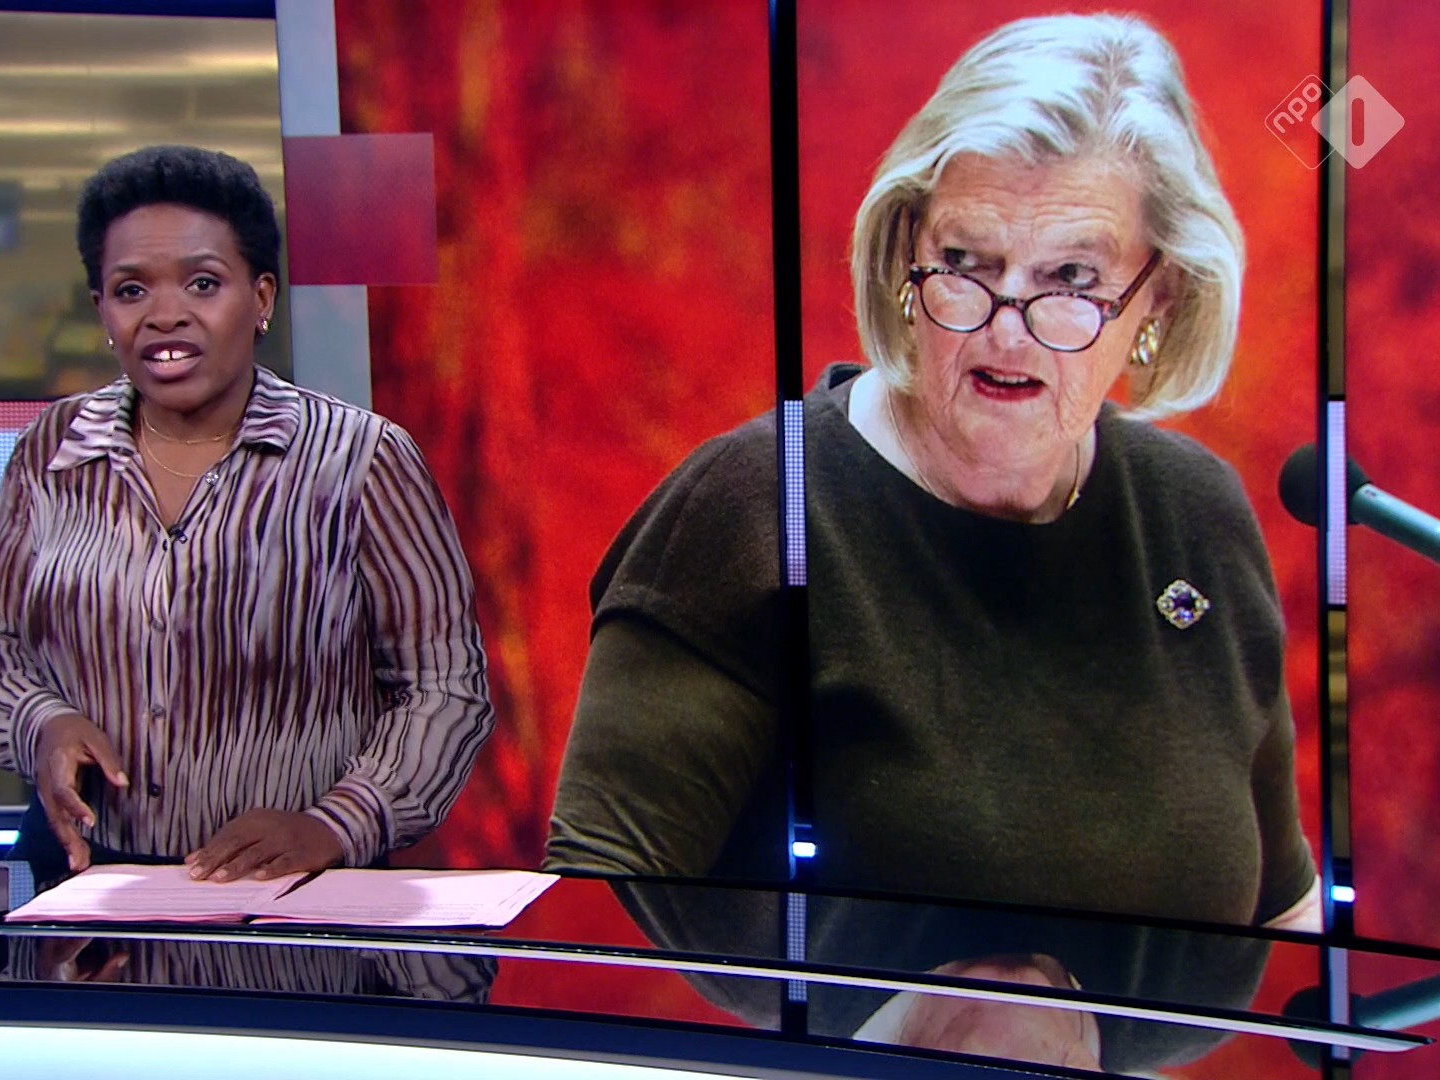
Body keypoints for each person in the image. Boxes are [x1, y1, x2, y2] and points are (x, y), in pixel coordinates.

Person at [546, 14, 1318, 1072]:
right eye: (966, 262)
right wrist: (876, 1038)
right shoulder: (754, 508)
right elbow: (578, 942)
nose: (1006, 326)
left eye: (1071, 279)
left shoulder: (1200, 516)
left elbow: (1284, 916)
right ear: (905, 255)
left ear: (1161, 297)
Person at [0, 145, 494, 887]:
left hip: (296, 890)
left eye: (203, 283)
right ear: (102, 310)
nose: (165, 315)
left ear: (262, 297)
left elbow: (445, 687)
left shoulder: (362, 459)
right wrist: (41, 723)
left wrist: (336, 823)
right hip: (82, 881)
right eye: (131, 290)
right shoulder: (50, 450)